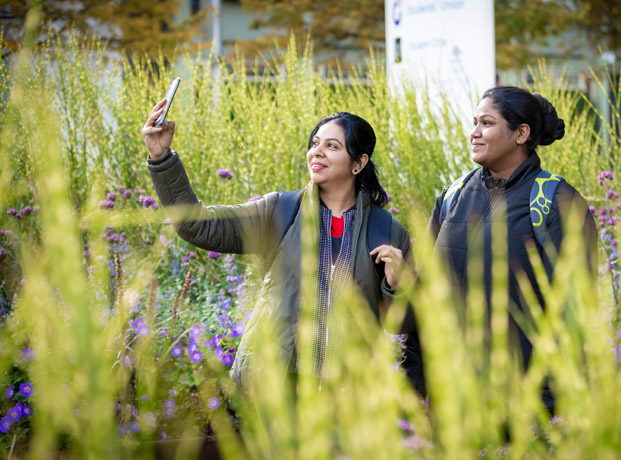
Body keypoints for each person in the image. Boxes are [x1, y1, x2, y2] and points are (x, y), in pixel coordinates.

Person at [141, 101, 423, 392]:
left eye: (332, 146)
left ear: (359, 163)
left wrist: (398, 285)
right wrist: (162, 158)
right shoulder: (279, 211)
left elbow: (404, 324)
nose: (317, 151)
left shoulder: (387, 232)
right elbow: (197, 225)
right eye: (315, 143)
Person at [427, 86, 597, 414]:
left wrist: (548, 408)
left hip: (524, 403)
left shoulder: (558, 202)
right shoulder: (453, 196)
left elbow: (574, 312)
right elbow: (427, 295)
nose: (474, 133)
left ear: (521, 133)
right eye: (474, 122)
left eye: (486, 123)